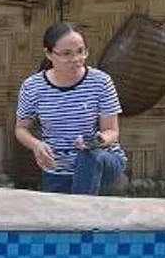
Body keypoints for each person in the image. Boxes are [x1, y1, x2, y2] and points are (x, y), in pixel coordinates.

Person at [15, 22, 126, 194]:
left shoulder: (101, 82)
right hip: (57, 169)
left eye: (81, 51)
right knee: (57, 217)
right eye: (67, 54)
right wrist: (37, 145)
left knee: (89, 157)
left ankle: (80, 217)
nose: (76, 59)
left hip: (104, 162)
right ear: (49, 54)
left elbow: (111, 131)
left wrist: (95, 141)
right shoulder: (32, 87)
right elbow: (21, 129)